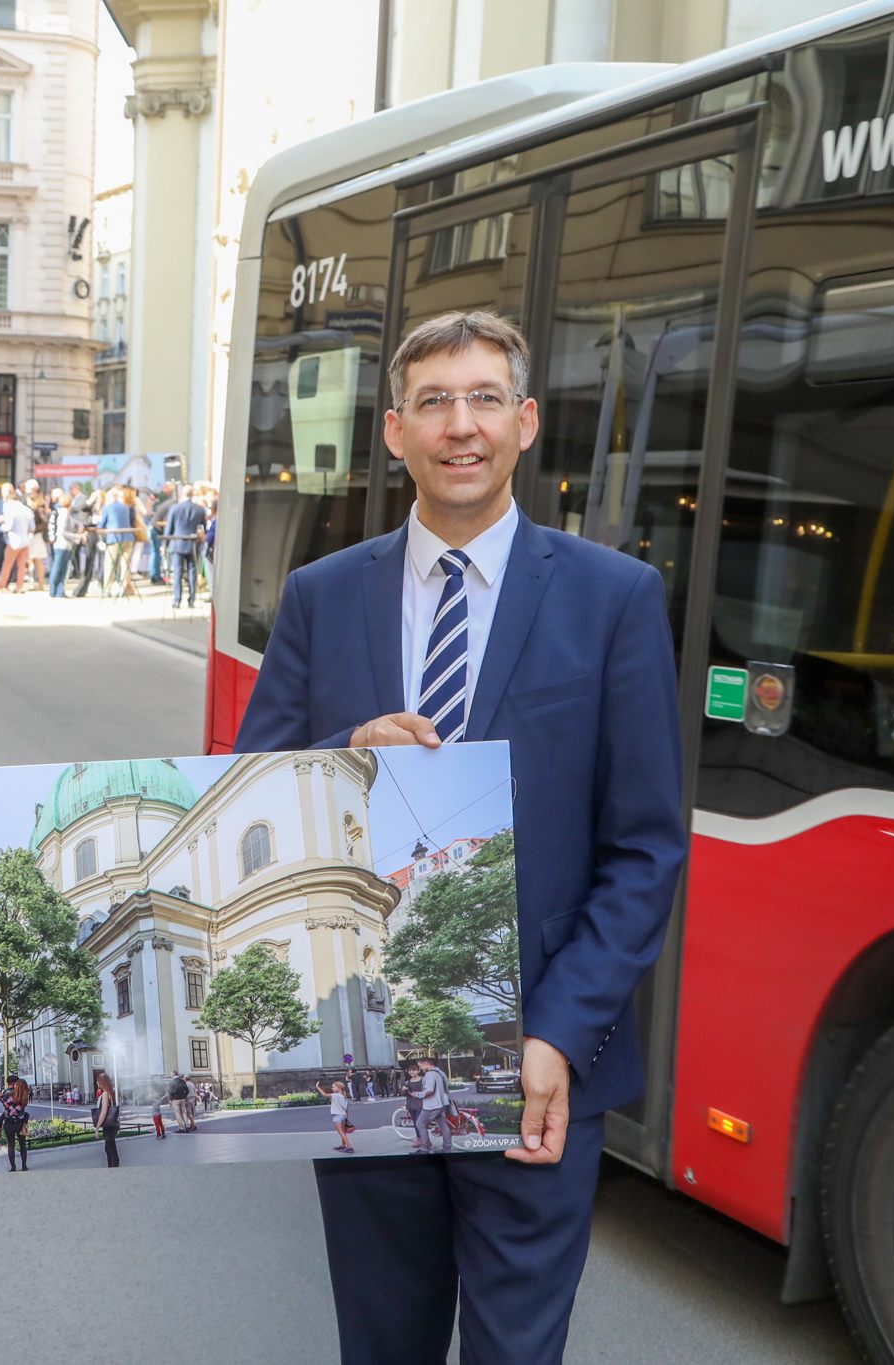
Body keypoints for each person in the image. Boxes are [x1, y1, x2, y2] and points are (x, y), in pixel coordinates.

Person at [233, 310, 687, 1364]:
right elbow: (260, 794)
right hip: (366, 1055)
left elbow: (643, 850)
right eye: (433, 401)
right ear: (394, 432)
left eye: (484, 398)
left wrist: (556, 1036)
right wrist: (345, 752)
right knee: (379, 1346)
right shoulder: (319, 596)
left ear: (524, 423)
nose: (459, 425)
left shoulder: (614, 599)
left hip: (533, 1070)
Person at [164, 486, 208, 610]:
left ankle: (177, 600)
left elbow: (169, 528)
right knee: (192, 571)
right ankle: (191, 599)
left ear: (182, 494)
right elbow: (203, 528)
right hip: (193, 544)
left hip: (177, 543)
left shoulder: (175, 508)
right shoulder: (199, 509)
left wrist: (165, 544)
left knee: (177, 572)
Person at [0, 483, 32, 594]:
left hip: (14, 541)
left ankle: (1, 586)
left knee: (7, 565)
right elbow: (32, 527)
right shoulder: (26, 510)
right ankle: (19, 586)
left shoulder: (12, 509)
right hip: (25, 541)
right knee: (21, 566)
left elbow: (8, 526)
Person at [98, 489, 135, 597]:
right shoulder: (126, 507)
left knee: (110, 563)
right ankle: (124, 587)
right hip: (128, 537)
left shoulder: (108, 508)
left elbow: (102, 524)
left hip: (114, 537)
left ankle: (107, 588)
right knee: (125, 564)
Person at [415, 1058, 453, 1156]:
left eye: (420, 1066)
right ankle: (447, 1149)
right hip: (443, 1103)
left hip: (432, 1104)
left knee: (420, 1124)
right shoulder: (441, 1072)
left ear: (427, 1063)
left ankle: (424, 1149)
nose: (420, 1068)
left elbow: (429, 1091)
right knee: (443, 1125)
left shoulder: (430, 1074)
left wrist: (418, 1094)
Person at [1, 1074, 32, 1172]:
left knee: (11, 1145)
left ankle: (13, 1167)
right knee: (22, 1144)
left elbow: (4, 1104)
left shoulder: (6, 1093)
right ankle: (24, 1166)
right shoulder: (22, 1093)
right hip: (20, 1123)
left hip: (9, 1123)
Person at [316, 1080, 355, 1153]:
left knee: (341, 1132)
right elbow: (346, 1109)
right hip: (343, 1115)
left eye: (333, 1087)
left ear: (339, 1088)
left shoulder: (336, 1095)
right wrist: (346, 1117)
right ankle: (343, 1145)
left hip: (338, 1116)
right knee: (343, 1131)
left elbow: (324, 1095)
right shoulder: (344, 1097)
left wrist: (318, 1087)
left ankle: (349, 1147)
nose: (332, 1089)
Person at [93, 1069, 122, 1168]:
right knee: (108, 1148)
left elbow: (104, 1112)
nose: (96, 1082)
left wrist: (97, 1127)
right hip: (112, 1125)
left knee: (110, 1149)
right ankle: (112, 1167)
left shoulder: (105, 1094)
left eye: (98, 1081)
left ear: (102, 1082)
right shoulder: (110, 1093)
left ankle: (113, 1169)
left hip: (109, 1126)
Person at [26, 490, 51, 590]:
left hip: (36, 537)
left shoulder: (39, 510)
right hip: (36, 537)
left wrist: (33, 529)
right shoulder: (39, 509)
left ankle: (40, 584)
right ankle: (39, 583)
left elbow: (44, 524)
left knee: (37, 561)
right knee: (35, 561)